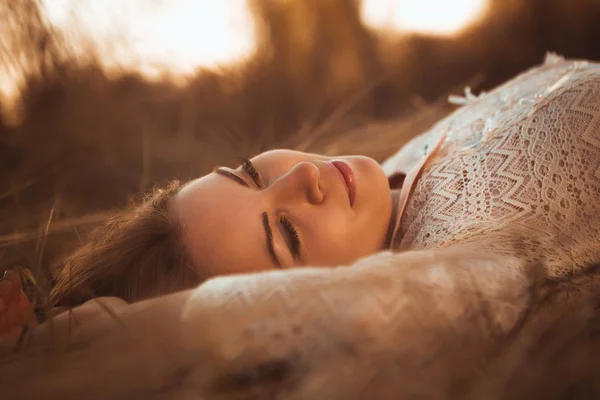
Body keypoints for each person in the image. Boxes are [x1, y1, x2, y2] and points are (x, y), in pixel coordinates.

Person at [2, 54, 600, 341]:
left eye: (250, 175)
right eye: (286, 236)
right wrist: (54, 344)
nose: (301, 181)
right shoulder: (454, 274)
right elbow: (207, 330)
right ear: (309, 298)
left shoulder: (394, 173)